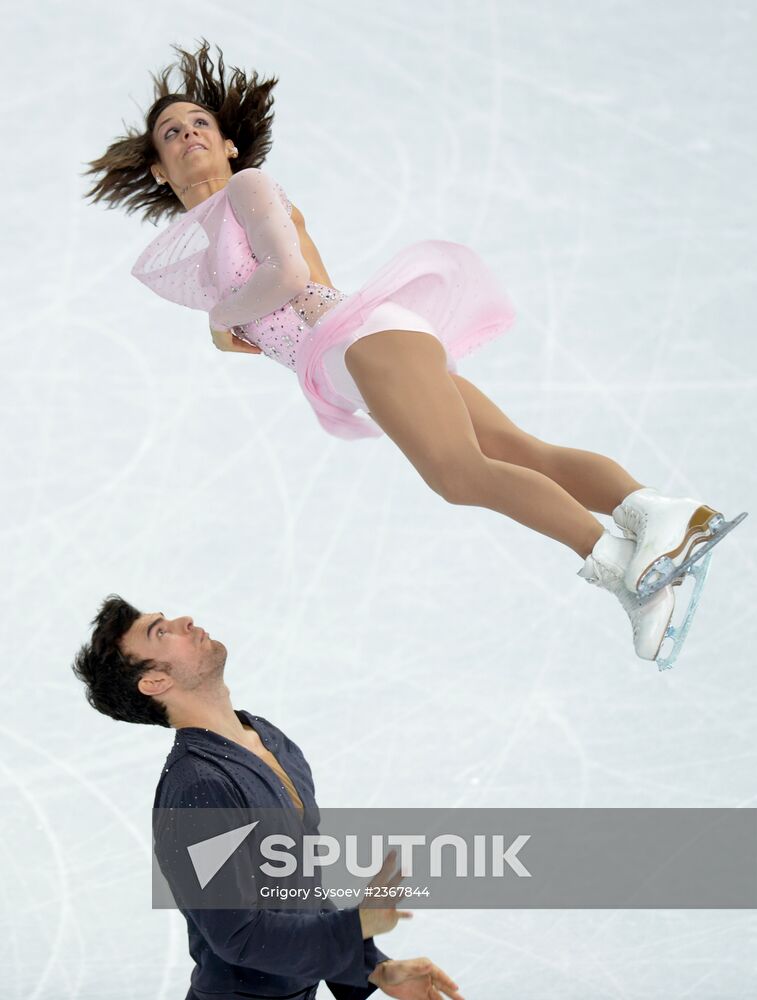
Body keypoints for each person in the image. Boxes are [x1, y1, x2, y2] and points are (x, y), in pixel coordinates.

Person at [84, 41, 743, 668]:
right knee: (515, 450)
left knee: (455, 472)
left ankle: (633, 571)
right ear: (157, 168)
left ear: (228, 143)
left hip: (358, 338)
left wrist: (221, 317)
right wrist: (227, 322)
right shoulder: (203, 257)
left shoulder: (249, 187)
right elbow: (253, 334)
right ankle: (659, 516)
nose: (189, 133)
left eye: (200, 122)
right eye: (171, 133)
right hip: (346, 362)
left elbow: (284, 278)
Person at [72, 595, 464, 1000]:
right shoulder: (197, 788)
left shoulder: (269, 739)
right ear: (154, 682)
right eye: (161, 631)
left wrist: (373, 968)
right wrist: (356, 925)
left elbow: (297, 888)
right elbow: (238, 935)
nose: (185, 620)